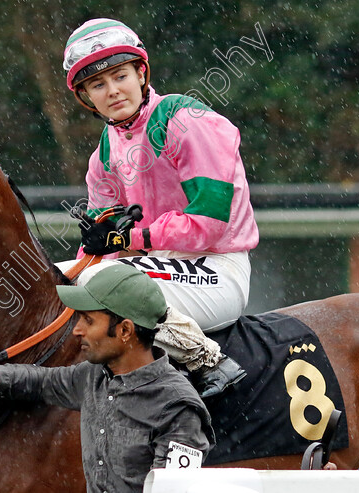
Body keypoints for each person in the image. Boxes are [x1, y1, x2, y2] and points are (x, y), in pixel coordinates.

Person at [62, 18, 260, 398]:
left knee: (106, 281)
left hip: (217, 269)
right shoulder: (103, 156)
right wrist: (87, 253)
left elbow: (209, 223)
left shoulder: (185, 121)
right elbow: (98, 244)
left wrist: (131, 236)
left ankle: (208, 360)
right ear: (87, 97)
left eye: (120, 76)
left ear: (140, 73)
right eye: (98, 85)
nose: (113, 91)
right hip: (163, 270)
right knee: (61, 278)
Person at [0, 263, 214, 493]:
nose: (77, 330)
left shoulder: (179, 409)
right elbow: (40, 381)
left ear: (125, 330)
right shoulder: (93, 376)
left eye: (88, 320)